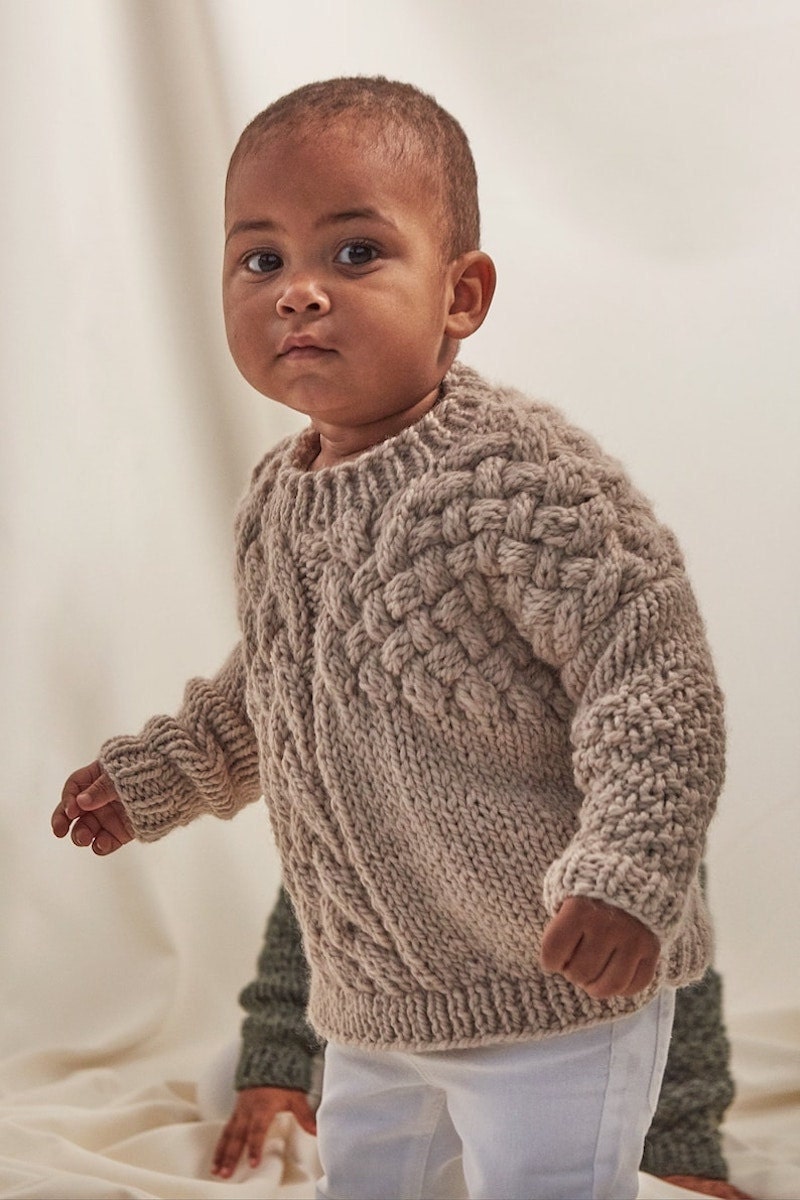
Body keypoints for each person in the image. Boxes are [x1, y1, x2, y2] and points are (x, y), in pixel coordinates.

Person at [53, 76, 729, 1200]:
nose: (298, 295)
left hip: (547, 993)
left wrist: (628, 872)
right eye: (260, 261)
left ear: (460, 295)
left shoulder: (517, 479)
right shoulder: (279, 497)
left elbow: (649, 676)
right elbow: (272, 687)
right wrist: (156, 776)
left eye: (355, 253)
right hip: (370, 1004)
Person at [208, 885, 751, 1200]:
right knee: (222, 1081)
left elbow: (659, 959)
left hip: (538, 1029)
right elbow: (310, 908)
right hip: (389, 1019)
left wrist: (682, 1144)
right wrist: (273, 1057)